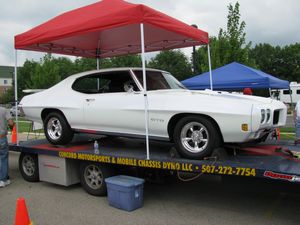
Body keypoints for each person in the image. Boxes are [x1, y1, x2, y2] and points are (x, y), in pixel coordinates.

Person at [0, 106, 14, 187]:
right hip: (1, 138)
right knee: (3, 158)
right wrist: (11, 127)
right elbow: (11, 123)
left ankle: (3, 177)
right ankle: (2, 180)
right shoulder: (4, 110)